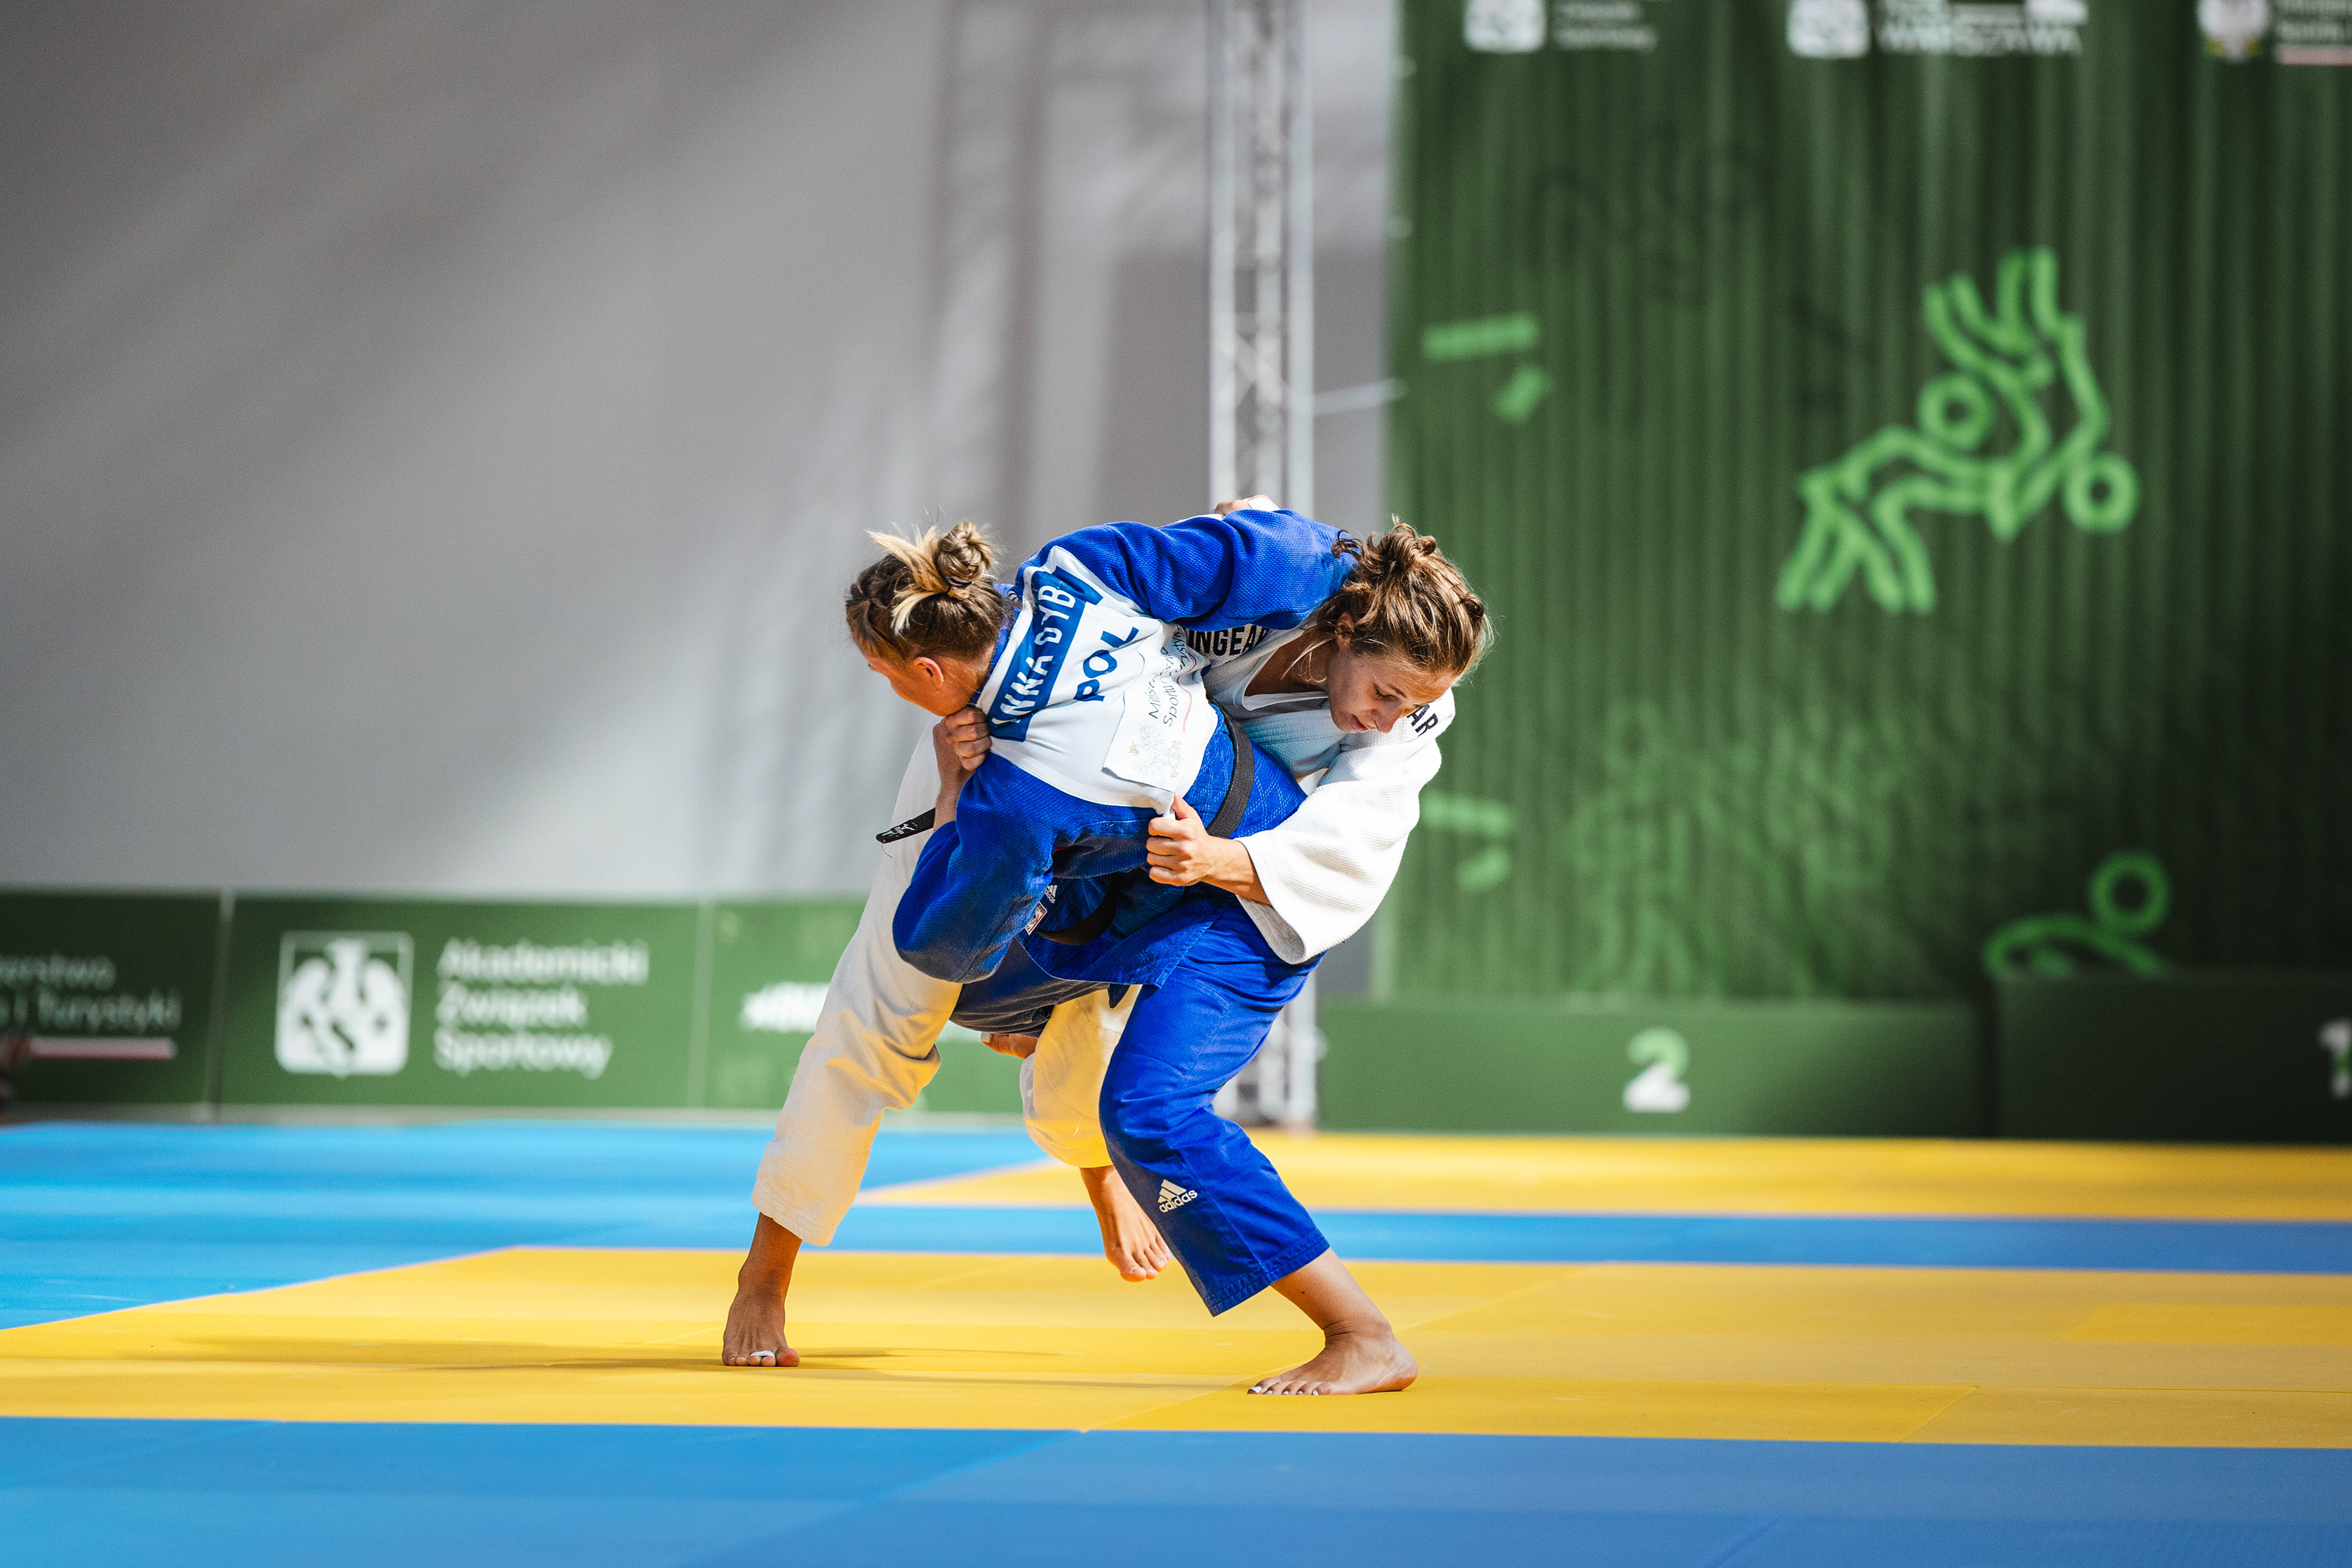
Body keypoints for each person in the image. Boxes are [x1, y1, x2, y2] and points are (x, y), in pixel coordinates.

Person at [725, 504, 1488, 1395]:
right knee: (884, 1004)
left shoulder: (1412, 714)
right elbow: (938, 944)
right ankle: (765, 1276)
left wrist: (1221, 861)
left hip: (1201, 850)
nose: (1386, 720)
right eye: (1385, 695)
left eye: (1408, 705)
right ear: (1348, 627)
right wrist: (957, 785)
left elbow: (1357, 843)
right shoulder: (1281, 563)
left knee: (1107, 1071)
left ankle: (1089, 1123)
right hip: (1037, 770)